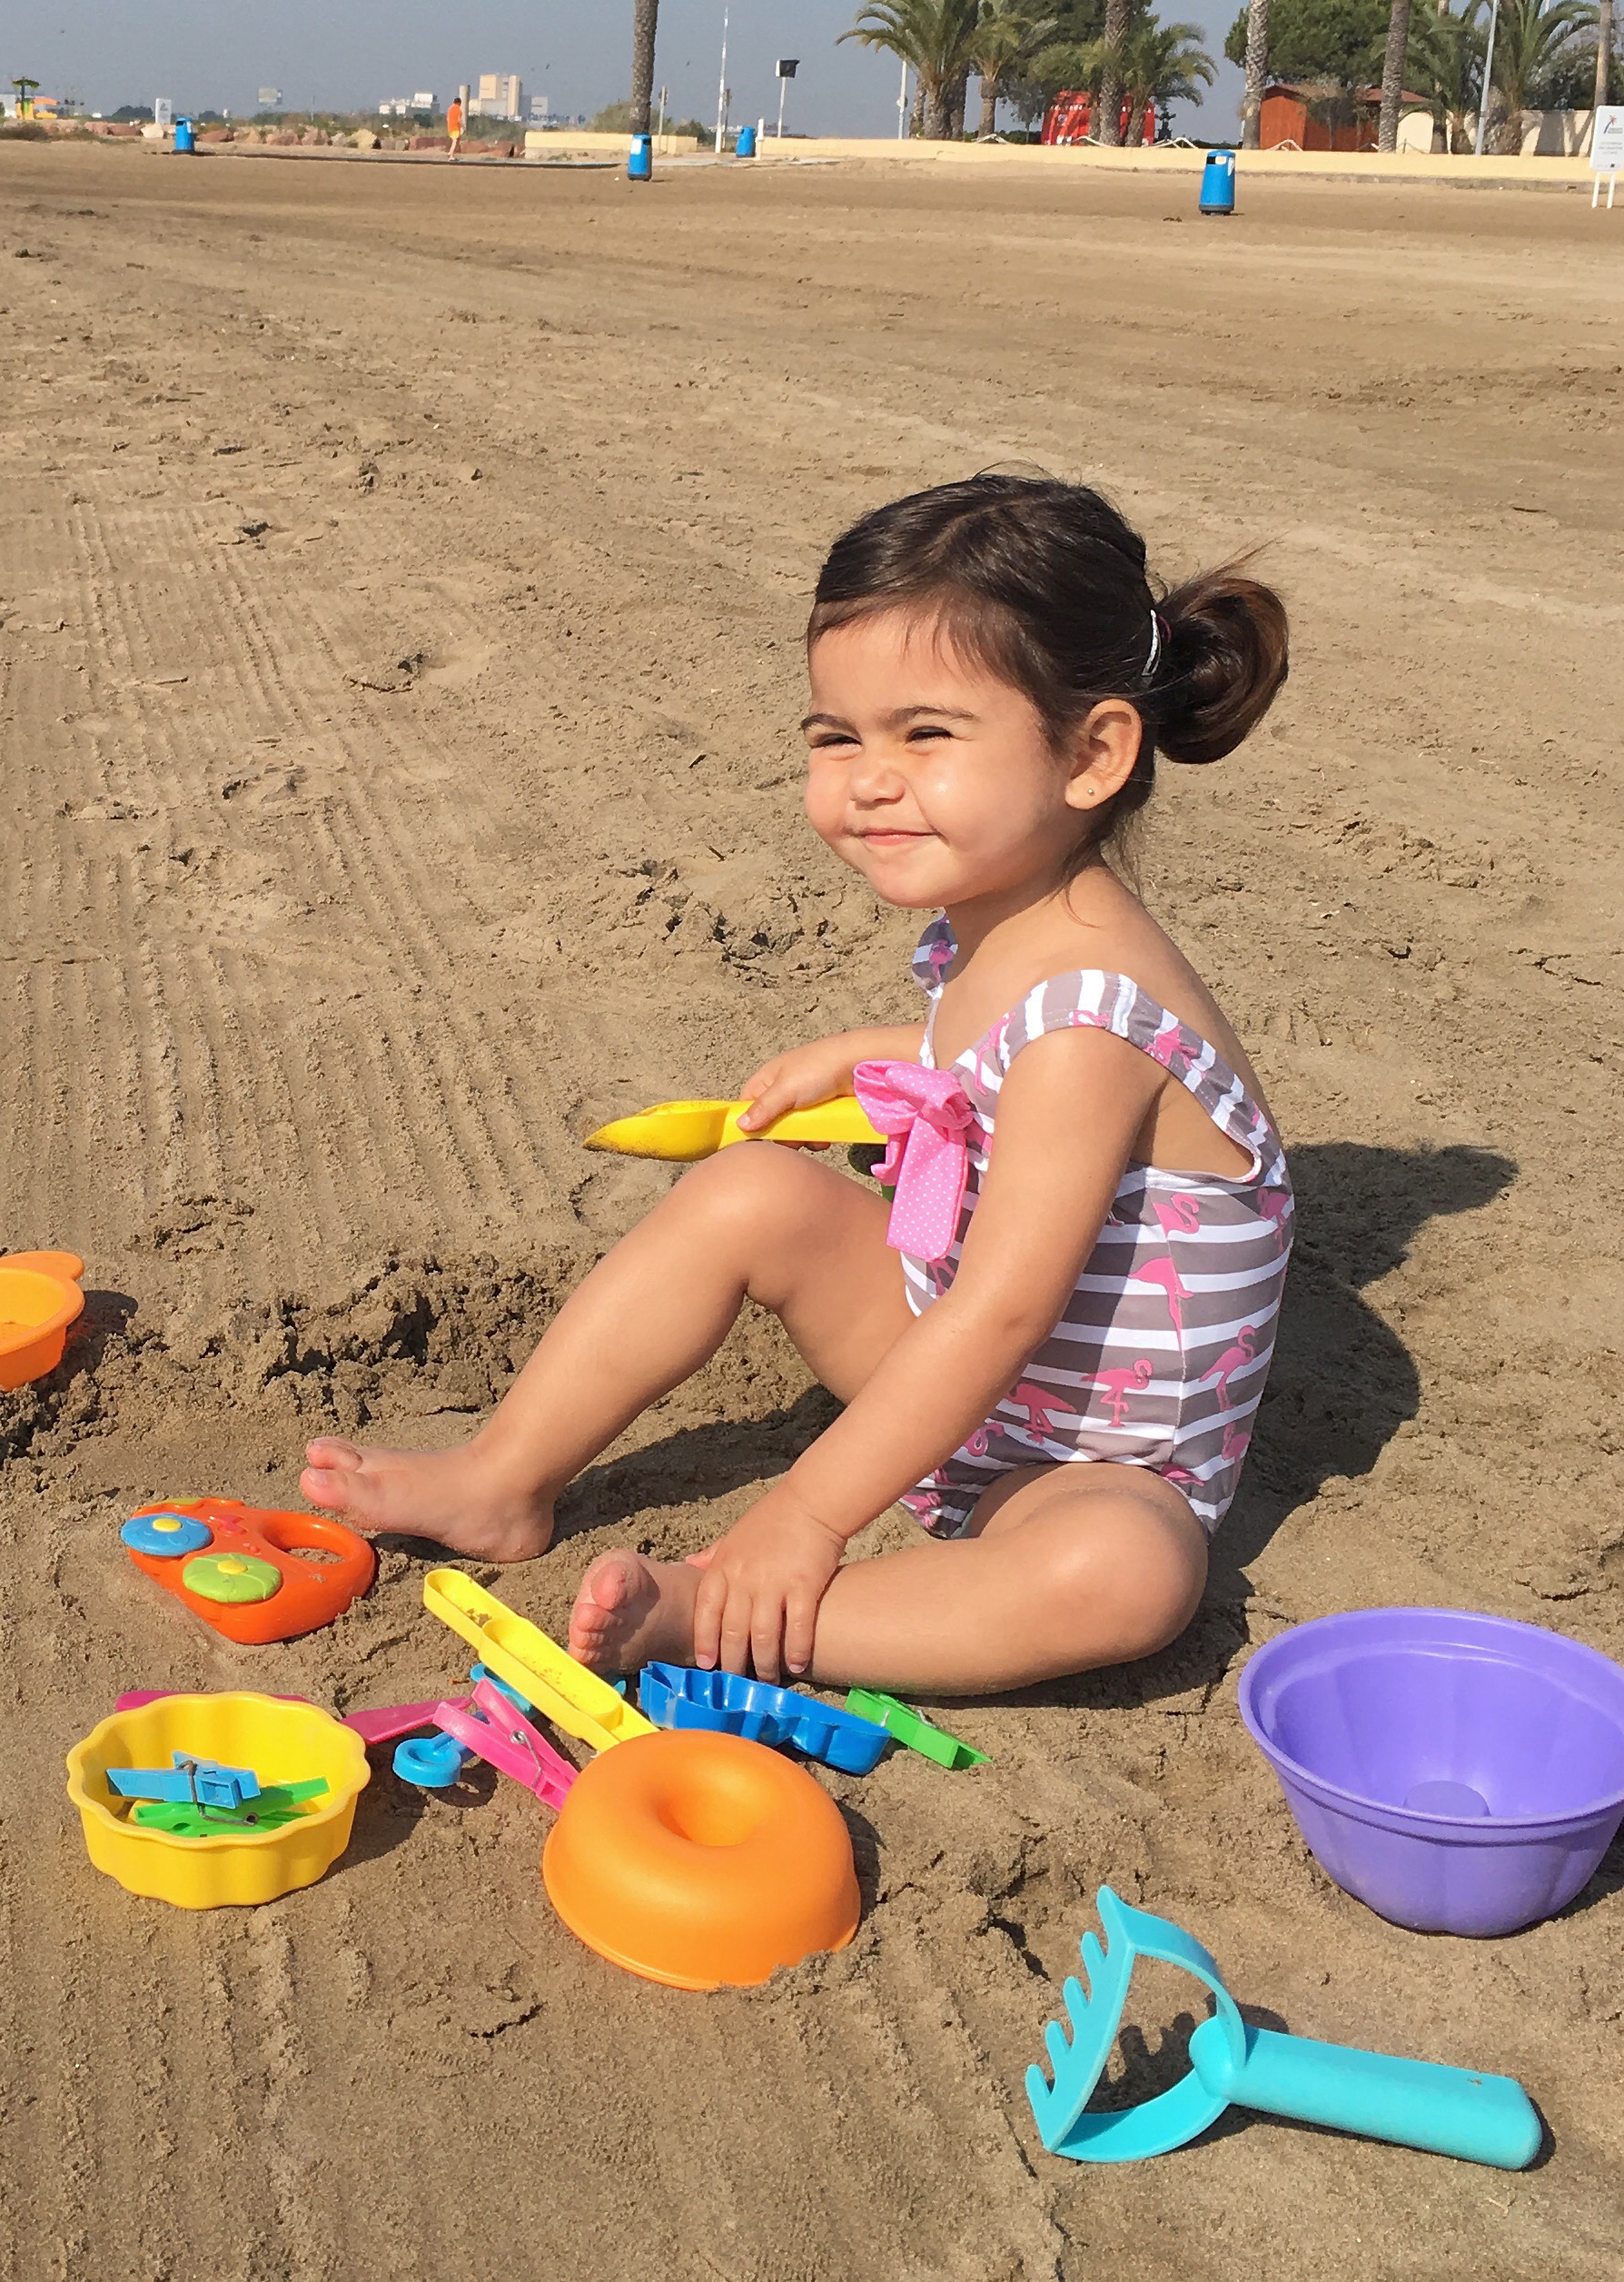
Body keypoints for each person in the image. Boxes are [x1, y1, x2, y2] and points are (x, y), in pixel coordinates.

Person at [300, 474, 1294, 1698]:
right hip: (946, 1364)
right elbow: (993, 1064)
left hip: (1082, 1460)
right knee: (751, 1192)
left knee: (1123, 1576)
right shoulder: (1010, 917)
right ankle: (503, 1477)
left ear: (1092, 753)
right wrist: (890, 1053)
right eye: (837, 737)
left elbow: (1002, 1314)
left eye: (926, 735)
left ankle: (716, 1614)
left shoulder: (1093, 1025)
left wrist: (805, 1516)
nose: (868, 778)